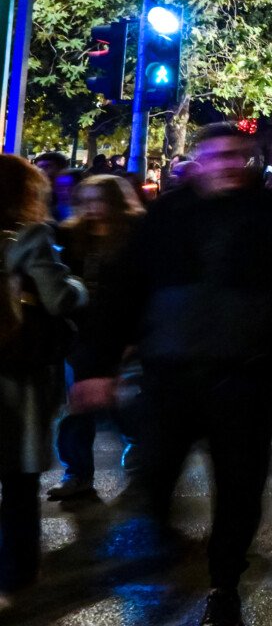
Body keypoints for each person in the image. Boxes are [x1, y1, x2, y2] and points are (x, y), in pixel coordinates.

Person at [86, 124, 272, 626]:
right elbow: (123, 290)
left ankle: (224, 582)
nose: (228, 164)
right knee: (154, 474)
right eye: (219, 155)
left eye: (237, 156)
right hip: (172, 374)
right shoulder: (166, 216)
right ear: (200, 161)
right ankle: (164, 548)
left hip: (245, 376)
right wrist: (98, 364)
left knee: (240, 488)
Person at [0, 154, 87, 610]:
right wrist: (78, 285)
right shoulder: (31, 236)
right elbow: (59, 298)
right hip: (18, 375)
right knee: (17, 479)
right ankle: (15, 576)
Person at [50, 174, 140, 505]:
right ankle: (77, 474)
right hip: (80, 337)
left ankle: (139, 473)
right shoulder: (71, 235)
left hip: (124, 338)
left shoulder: (134, 236)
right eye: (85, 200)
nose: (92, 208)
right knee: (77, 411)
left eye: (99, 200)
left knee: (126, 410)